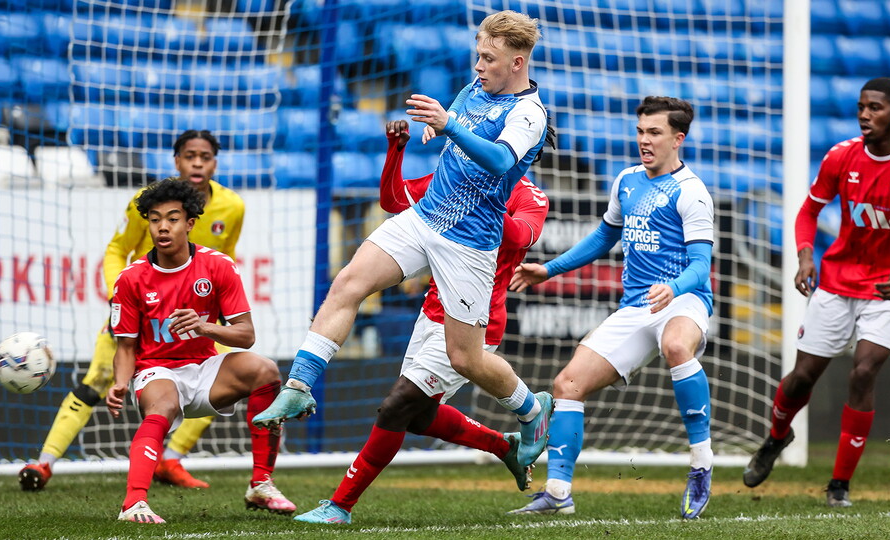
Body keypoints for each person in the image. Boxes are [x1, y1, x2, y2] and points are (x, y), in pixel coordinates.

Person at [252, 10, 553, 469]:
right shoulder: (475, 88)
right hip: (425, 217)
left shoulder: (529, 113)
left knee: (466, 358)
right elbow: (460, 121)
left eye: (489, 59)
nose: (478, 66)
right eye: (477, 55)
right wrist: (440, 126)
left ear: (517, 63)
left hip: (469, 242)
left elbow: (498, 160)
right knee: (348, 282)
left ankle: (532, 410)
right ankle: (299, 386)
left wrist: (450, 126)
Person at [294, 119, 551, 524]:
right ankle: (506, 447)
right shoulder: (452, 179)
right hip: (432, 313)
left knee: (396, 407)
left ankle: (339, 506)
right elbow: (394, 202)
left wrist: (481, 205)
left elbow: (521, 236)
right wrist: (395, 151)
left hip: (477, 321)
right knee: (418, 415)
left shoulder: (531, 195)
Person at [508, 96, 715, 519]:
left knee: (677, 346)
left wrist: (673, 288)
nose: (644, 140)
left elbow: (701, 266)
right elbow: (604, 237)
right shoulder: (627, 181)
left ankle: (701, 464)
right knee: (568, 384)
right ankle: (558, 492)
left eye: (654, 132)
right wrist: (548, 269)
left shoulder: (692, 192)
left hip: (684, 299)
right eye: (640, 131)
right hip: (637, 306)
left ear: (678, 139)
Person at [742, 78, 890, 507]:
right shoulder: (841, 156)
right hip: (836, 282)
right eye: (862, 106)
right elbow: (809, 211)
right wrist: (805, 257)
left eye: (875, 108)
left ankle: (839, 485)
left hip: (888, 288)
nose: (864, 114)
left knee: (863, 372)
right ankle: (776, 438)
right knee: (802, 378)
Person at [19, 130, 244, 492]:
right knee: (98, 380)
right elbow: (116, 249)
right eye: (189, 156)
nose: (197, 163)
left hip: (191, 321)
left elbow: (226, 257)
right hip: (141, 308)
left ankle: (171, 460)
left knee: (222, 379)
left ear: (214, 163)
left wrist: (214, 311)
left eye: (205, 157)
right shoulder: (147, 203)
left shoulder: (233, 207)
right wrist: (117, 296)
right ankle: (44, 463)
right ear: (177, 161)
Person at [105, 178, 294, 523]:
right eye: (155, 219)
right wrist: (120, 382)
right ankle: (133, 504)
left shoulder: (218, 266)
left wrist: (205, 327)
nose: (163, 227)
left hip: (204, 368)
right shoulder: (131, 278)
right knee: (163, 403)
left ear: (190, 223)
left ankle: (261, 484)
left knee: (265, 370)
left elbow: (246, 335)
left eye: (172, 219)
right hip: (156, 371)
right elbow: (126, 346)